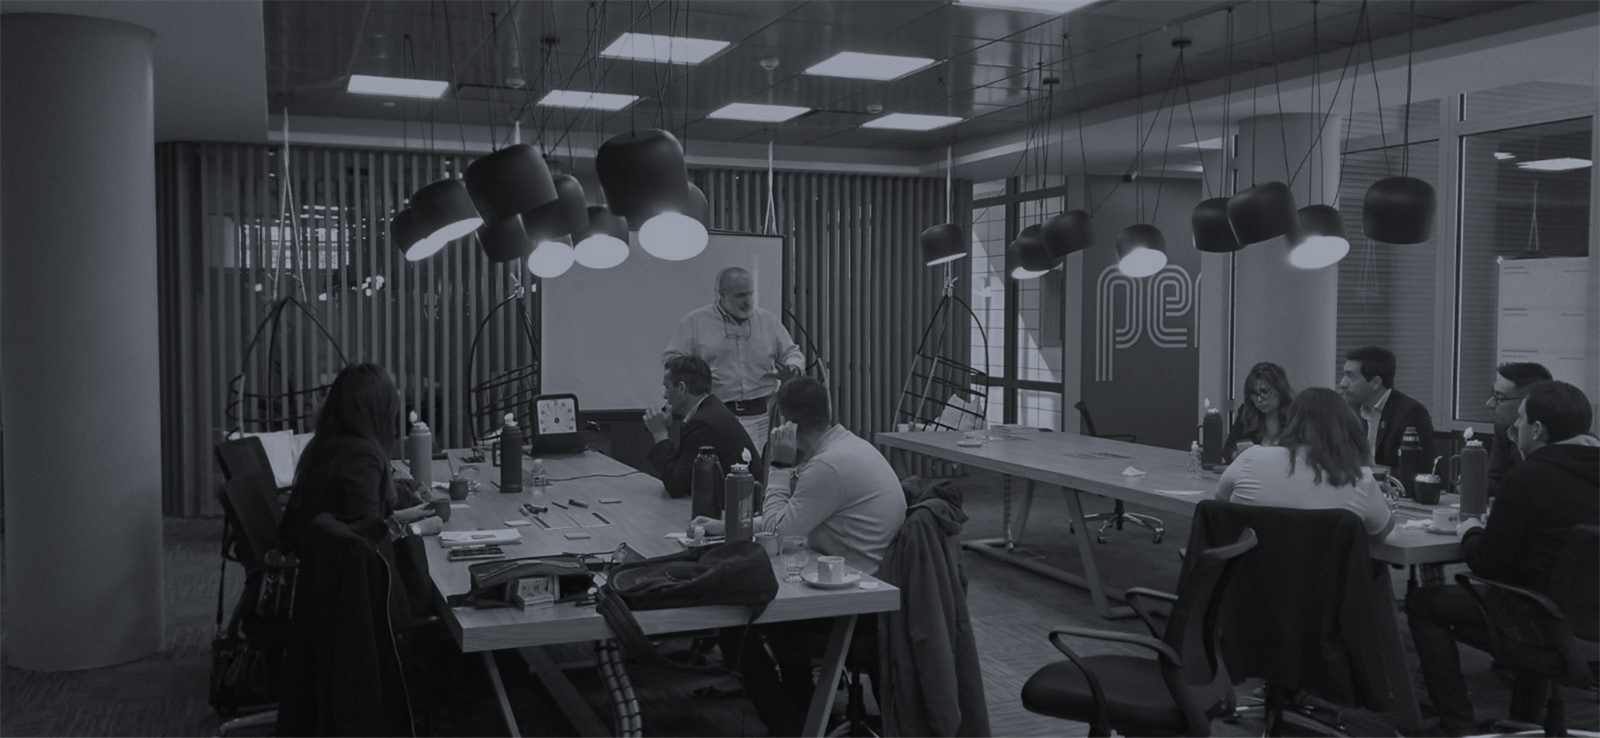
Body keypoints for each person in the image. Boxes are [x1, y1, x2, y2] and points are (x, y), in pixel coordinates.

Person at [692, 377, 906, 738]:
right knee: (769, 622)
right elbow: (797, 517)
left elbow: (778, 533)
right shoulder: (845, 447)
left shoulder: (828, 467)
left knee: (737, 628)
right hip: (864, 587)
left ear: (784, 424)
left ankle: (791, 728)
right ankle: (804, 712)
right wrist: (725, 526)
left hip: (855, 607)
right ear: (828, 410)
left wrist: (778, 465)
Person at [1405, 380, 1600, 737]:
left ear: (1537, 430)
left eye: (1520, 420)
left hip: (1540, 620)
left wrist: (1471, 531)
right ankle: (1526, 718)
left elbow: (1488, 564)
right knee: (1541, 590)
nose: (1515, 428)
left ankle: (1458, 725)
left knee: (1424, 603)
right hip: (1586, 619)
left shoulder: (1529, 477)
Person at [1215, 387, 1395, 541]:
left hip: (1250, 570)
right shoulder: (1358, 478)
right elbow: (1383, 533)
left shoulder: (1250, 458)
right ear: (1346, 427)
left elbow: (1220, 504)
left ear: (1292, 421)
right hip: (1325, 571)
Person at [664, 266, 805, 446]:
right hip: (715, 414)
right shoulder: (696, 321)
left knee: (760, 464)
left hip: (762, 417)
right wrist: (697, 375)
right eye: (740, 296)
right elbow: (672, 359)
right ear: (721, 294)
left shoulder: (767, 321)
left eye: (750, 294)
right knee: (716, 463)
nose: (747, 301)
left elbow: (792, 352)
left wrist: (793, 367)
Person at [643, 355, 761, 508]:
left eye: (667, 387)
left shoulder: (703, 422)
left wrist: (660, 434)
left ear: (682, 388)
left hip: (739, 511)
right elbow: (681, 471)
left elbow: (676, 485)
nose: (665, 395)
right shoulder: (708, 410)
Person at [1338, 345, 1435, 469]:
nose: (1343, 384)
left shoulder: (1410, 413)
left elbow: (1417, 470)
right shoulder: (1350, 410)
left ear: (1375, 382)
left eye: (1350, 376)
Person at [1484, 362, 1552, 497]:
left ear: (1527, 401)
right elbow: (1494, 479)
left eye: (1499, 398)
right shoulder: (1505, 428)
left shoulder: (1559, 432)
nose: (1489, 404)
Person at [1223, 361, 1294, 463]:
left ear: (1280, 390)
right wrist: (1237, 454)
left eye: (1264, 392)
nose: (1259, 399)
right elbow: (1227, 451)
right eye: (1254, 393)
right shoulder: (1246, 413)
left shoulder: (1295, 415)